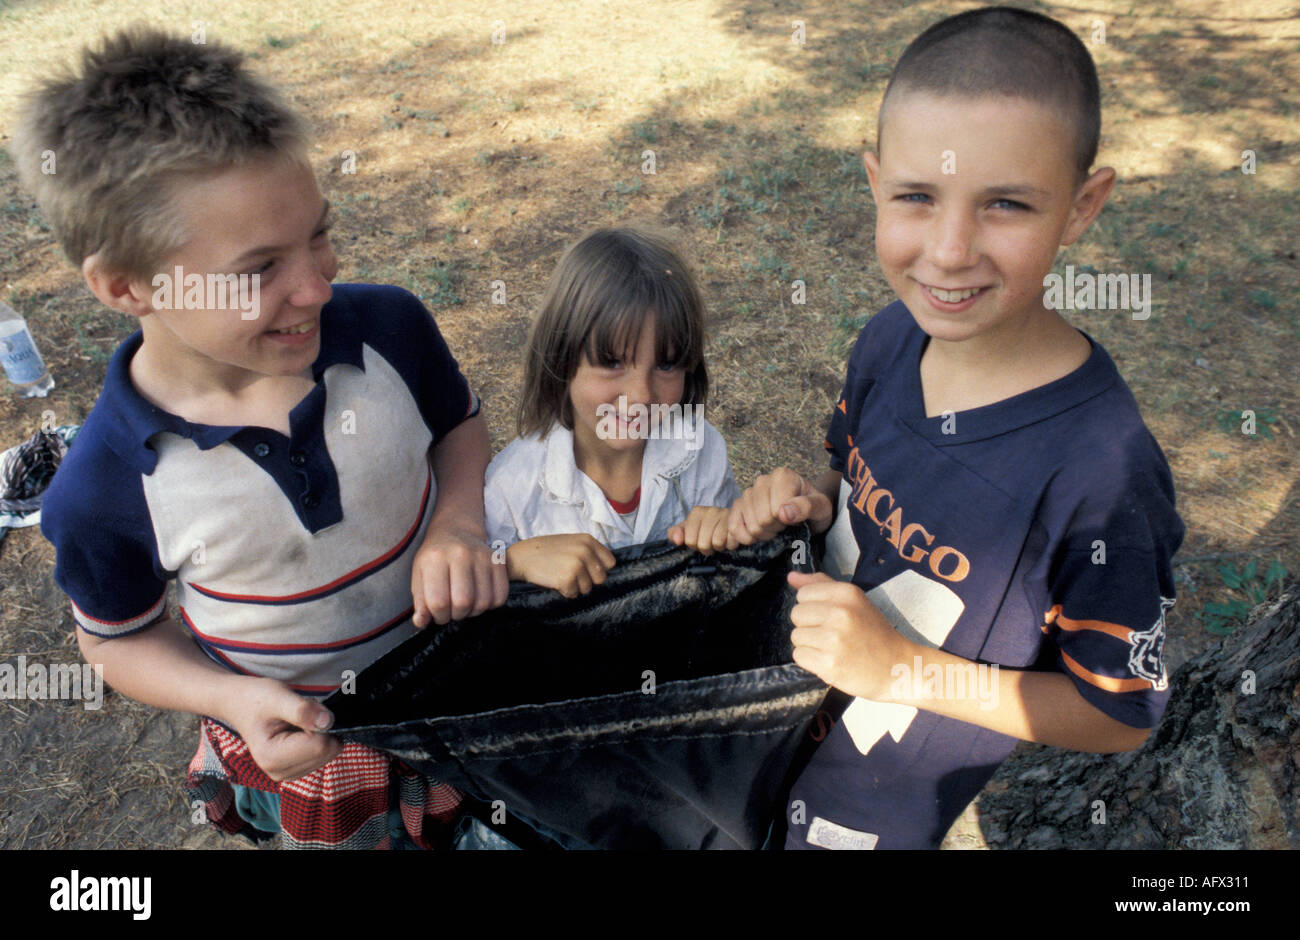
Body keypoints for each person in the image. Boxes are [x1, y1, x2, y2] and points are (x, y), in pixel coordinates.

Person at [14, 27, 507, 848]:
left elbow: (456, 426)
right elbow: (117, 641)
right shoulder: (103, 487)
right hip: (311, 751)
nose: (317, 285)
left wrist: (458, 523)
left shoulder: (390, 327)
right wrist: (229, 700)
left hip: (455, 693)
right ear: (125, 285)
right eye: (257, 270)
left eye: (318, 232)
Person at [728, 7, 1185, 849]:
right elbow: (846, 478)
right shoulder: (889, 337)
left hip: (868, 819)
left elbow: (1117, 714)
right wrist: (807, 505)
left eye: (1005, 204)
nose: (948, 250)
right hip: (759, 747)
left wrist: (900, 669)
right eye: (916, 196)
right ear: (874, 182)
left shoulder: (1103, 474)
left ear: (1083, 207)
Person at [485, 226, 740, 597]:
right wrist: (512, 563)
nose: (640, 396)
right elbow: (470, 586)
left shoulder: (703, 452)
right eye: (612, 362)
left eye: (666, 365)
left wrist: (727, 528)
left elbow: (732, 567)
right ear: (561, 356)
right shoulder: (512, 489)